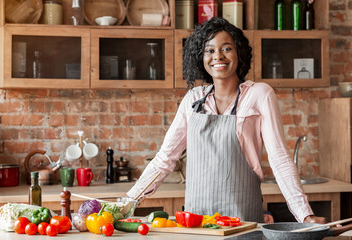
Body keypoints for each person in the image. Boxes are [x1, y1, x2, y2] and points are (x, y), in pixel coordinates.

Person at [126, 17, 325, 224]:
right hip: (197, 221)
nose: (218, 56)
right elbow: (165, 159)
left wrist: (305, 215)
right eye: (209, 50)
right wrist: (129, 200)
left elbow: (280, 160)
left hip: (243, 220)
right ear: (201, 57)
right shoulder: (193, 99)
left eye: (226, 48)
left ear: (239, 52)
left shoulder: (259, 94)